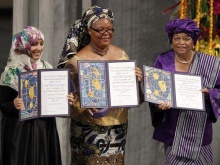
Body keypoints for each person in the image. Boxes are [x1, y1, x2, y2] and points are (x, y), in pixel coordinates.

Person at [58, 6, 143, 165]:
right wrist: (82, 106)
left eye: (110, 30)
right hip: (88, 128)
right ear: (90, 30)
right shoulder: (76, 61)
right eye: (101, 30)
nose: (107, 33)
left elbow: (136, 98)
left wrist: (137, 82)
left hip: (118, 128)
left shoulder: (122, 55)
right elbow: (65, 98)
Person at [149, 18, 220, 165]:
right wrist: (159, 105)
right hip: (173, 132)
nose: (181, 42)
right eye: (177, 38)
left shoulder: (210, 63)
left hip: (199, 133)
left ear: (194, 41)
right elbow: (154, 93)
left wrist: (209, 94)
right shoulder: (162, 60)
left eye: (186, 38)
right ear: (171, 40)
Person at [0, 26, 62, 165]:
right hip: (20, 131)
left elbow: (52, 97)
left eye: (41, 43)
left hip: (44, 128)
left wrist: (63, 99)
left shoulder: (47, 67)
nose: (39, 48)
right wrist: (14, 105)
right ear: (23, 45)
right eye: (34, 44)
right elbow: (3, 105)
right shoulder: (10, 73)